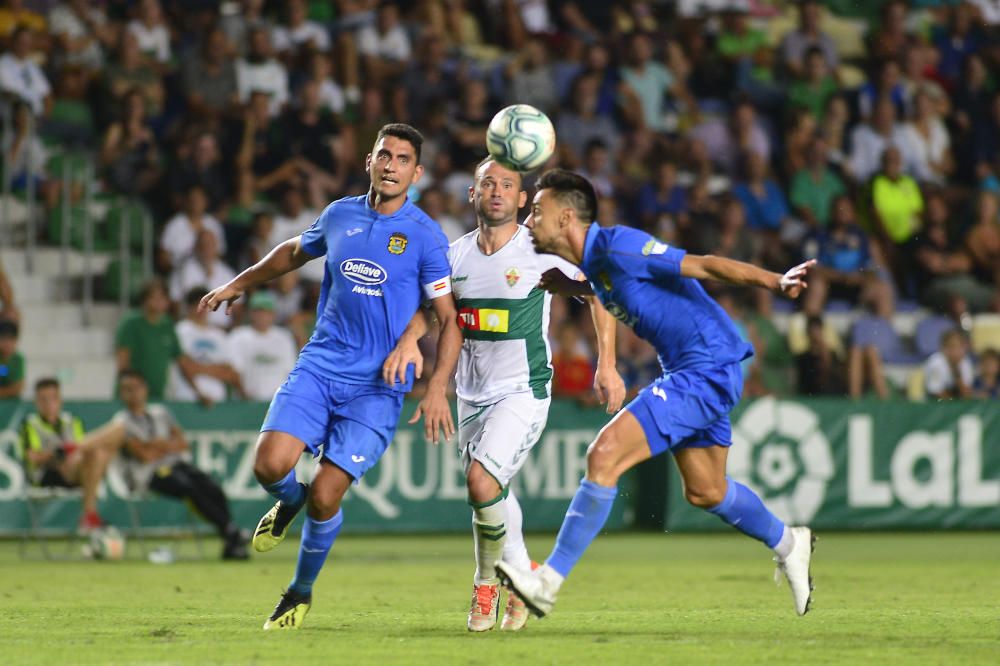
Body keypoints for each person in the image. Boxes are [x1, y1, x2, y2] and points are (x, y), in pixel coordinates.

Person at [496, 170, 817, 619]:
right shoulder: (597, 267)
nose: (528, 222)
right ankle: (789, 541)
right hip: (695, 369)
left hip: (706, 369)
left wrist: (774, 282)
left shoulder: (620, 246)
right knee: (706, 491)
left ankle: (546, 583)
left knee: (603, 455)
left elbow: (703, 264)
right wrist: (571, 287)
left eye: (537, 212)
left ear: (566, 216)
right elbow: (606, 289)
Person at [200, 124, 460, 630]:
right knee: (268, 466)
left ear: (417, 173)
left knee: (326, 493)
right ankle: (288, 503)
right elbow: (295, 251)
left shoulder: (426, 236)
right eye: (384, 155)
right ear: (369, 160)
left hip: (378, 387)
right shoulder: (339, 214)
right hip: (320, 365)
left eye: (403, 159)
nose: (391, 165)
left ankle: (298, 592)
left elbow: (448, 315)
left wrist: (435, 385)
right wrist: (240, 282)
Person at [383, 158, 624, 633]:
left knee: (480, 483)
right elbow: (432, 313)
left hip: (524, 389)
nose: (496, 191)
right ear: (472, 195)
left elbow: (600, 290)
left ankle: (487, 580)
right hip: (472, 395)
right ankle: (523, 577)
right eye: (487, 183)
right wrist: (410, 339)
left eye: (507, 185)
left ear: (520, 200)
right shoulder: (453, 256)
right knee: (489, 493)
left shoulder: (542, 250)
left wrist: (608, 364)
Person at [90, 370, 249, 559]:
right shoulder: (121, 422)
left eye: (136, 388)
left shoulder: (160, 413)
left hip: (175, 464)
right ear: (121, 393)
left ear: (145, 390)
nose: (133, 393)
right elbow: (144, 456)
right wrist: (164, 445)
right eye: (127, 389)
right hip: (147, 474)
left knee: (211, 486)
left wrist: (156, 444)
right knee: (187, 487)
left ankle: (230, 537)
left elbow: (182, 444)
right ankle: (231, 532)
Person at [18, 378, 117, 531]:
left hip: (74, 470)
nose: (49, 403)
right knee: (90, 459)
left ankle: (88, 517)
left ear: (60, 400)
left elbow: (81, 452)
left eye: (53, 398)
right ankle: (89, 515)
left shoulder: (71, 421)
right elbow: (33, 458)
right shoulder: (30, 424)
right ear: (36, 402)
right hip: (44, 476)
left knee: (98, 455)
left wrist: (70, 455)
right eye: (44, 399)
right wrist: (58, 454)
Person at [923, 329, 974, 400]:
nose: (956, 351)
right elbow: (936, 394)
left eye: (960, 346)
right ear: (943, 348)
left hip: (956, 403)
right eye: (952, 346)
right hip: (934, 405)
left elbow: (967, 394)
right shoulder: (936, 363)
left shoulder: (965, 363)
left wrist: (957, 373)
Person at [0, 318, 24, 400]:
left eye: (11, 339)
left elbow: (18, 388)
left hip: (12, 404)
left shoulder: (18, 359)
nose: (7, 343)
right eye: (3, 339)